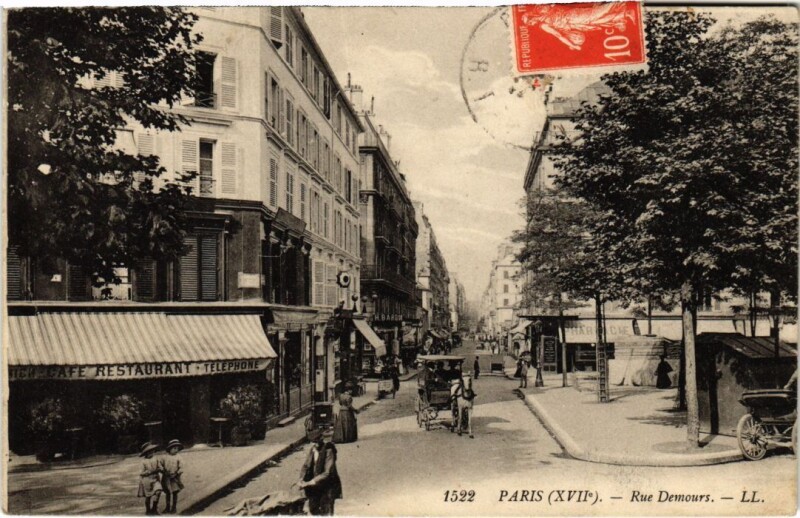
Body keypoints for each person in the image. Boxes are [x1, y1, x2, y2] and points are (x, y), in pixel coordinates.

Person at [297, 429, 342, 515]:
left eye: (316, 442)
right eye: (312, 443)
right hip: (314, 486)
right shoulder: (313, 449)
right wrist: (301, 478)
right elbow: (306, 466)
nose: (314, 445)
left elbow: (327, 472)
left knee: (326, 510)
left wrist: (311, 482)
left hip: (327, 485)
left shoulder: (328, 450)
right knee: (313, 508)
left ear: (321, 439)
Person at [137, 442, 163, 515]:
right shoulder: (143, 462)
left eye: (152, 451)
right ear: (145, 453)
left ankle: (154, 508)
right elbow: (141, 472)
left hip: (155, 479)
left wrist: (160, 469)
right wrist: (148, 472)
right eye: (149, 452)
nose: (151, 453)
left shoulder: (156, 458)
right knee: (148, 496)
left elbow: (160, 467)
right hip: (147, 480)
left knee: (158, 491)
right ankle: (148, 510)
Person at [160, 439, 184, 514]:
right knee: (167, 492)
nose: (176, 450)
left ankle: (174, 507)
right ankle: (167, 507)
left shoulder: (179, 457)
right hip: (167, 477)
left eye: (177, 448)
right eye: (174, 448)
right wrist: (163, 470)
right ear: (169, 449)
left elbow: (181, 467)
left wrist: (177, 473)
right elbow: (160, 465)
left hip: (175, 477)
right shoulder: (164, 457)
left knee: (175, 492)